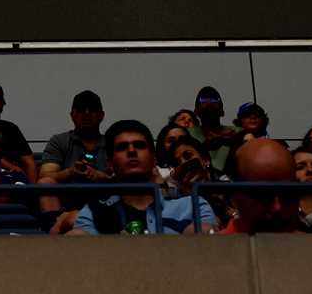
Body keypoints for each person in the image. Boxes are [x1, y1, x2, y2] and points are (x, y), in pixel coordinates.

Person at [70, 120, 217, 235]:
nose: (132, 151)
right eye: (122, 147)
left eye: (139, 145)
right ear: (110, 164)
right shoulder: (92, 213)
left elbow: (204, 244)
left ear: (154, 159)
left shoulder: (193, 206)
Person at [36, 90, 110, 216]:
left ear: (101, 115)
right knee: (45, 183)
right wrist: (70, 172)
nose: (86, 113)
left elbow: (126, 178)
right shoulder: (59, 141)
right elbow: (44, 177)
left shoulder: (113, 142)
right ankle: (53, 226)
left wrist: (101, 177)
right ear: (72, 115)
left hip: (107, 203)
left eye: (92, 109)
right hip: (66, 203)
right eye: (81, 109)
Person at [219, 139, 303, 235]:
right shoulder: (211, 248)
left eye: (287, 194)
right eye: (263, 195)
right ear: (234, 196)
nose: (277, 207)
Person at [189, 87, 234, 171]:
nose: (209, 103)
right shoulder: (188, 134)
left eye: (214, 100)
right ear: (195, 111)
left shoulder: (237, 132)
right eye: (203, 100)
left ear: (222, 111)